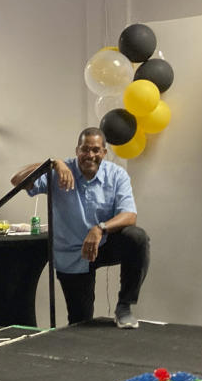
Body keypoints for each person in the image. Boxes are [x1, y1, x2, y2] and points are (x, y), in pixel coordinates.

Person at [11, 127, 150, 328]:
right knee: (81, 322)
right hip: (72, 254)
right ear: (77, 151)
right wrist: (51, 163)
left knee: (137, 238)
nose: (90, 155)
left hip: (103, 244)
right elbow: (16, 181)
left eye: (95, 150)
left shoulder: (117, 175)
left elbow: (129, 215)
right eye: (85, 150)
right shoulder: (58, 171)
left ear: (104, 152)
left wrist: (99, 229)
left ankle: (124, 306)